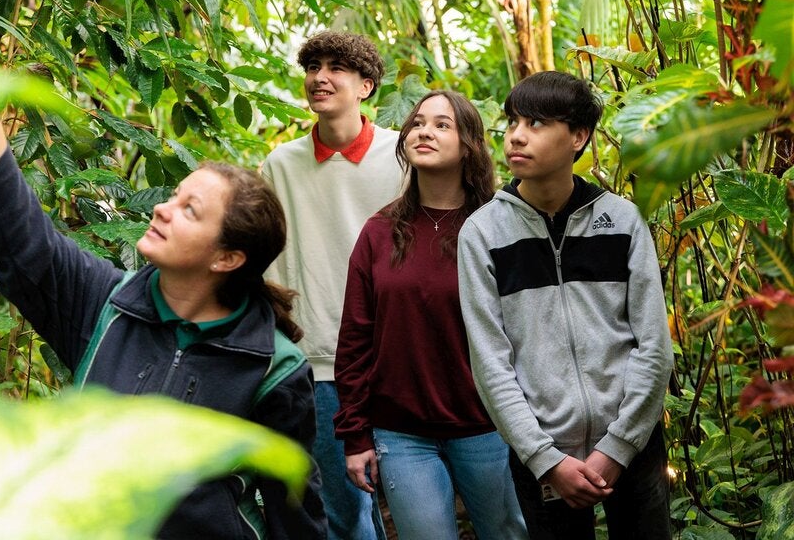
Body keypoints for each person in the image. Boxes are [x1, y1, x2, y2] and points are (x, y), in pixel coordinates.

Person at [0, 6, 326, 540]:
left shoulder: (272, 368)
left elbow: (295, 511)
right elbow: (21, 237)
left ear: (226, 258)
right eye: (173, 197)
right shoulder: (106, 304)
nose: (163, 209)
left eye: (190, 210)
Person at [457, 71, 674, 540]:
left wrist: (617, 447)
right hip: (542, 450)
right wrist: (544, 458)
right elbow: (490, 362)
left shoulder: (620, 220)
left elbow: (654, 346)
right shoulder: (482, 233)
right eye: (513, 120)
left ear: (578, 137)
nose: (516, 134)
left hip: (634, 443)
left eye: (536, 122)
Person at [334, 90, 528, 540]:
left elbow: (528, 331)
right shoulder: (379, 232)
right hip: (402, 433)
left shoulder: (500, 226)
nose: (424, 131)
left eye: (442, 124)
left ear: (469, 145)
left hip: (489, 426)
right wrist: (356, 435)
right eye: (418, 122)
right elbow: (355, 340)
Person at [262, 31, 403, 540]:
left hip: (396, 356)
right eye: (313, 66)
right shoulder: (281, 164)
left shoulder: (402, 155)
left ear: (366, 85)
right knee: (345, 513)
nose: (320, 77)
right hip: (319, 362)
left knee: (414, 503)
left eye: (336, 67)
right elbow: (264, 255)